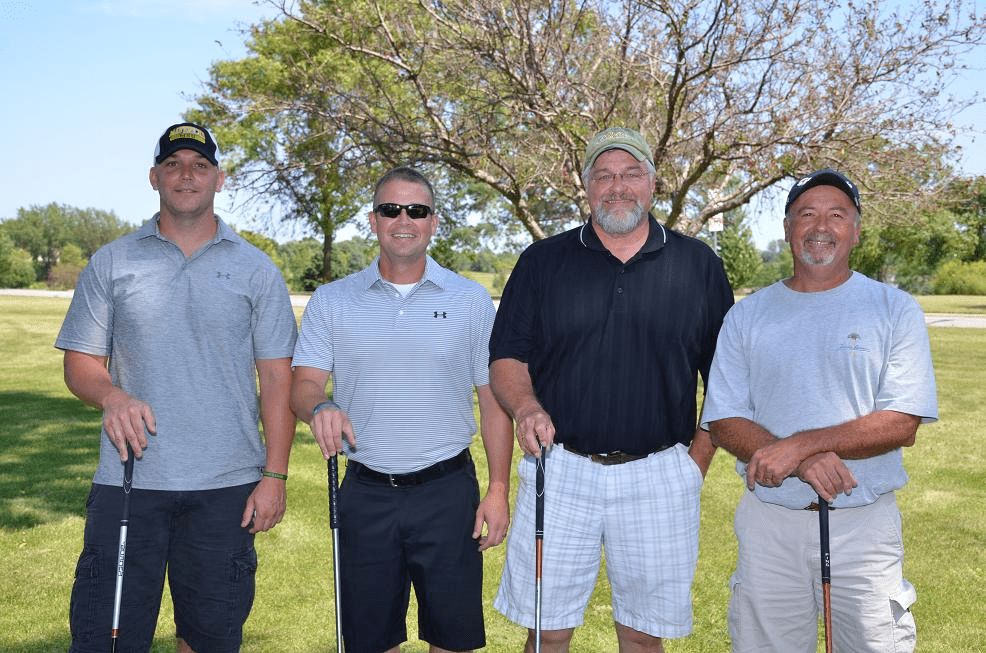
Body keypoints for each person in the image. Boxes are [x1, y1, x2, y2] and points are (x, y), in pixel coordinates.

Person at [489, 126, 734, 653]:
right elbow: (507, 357)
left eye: (630, 174)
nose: (617, 186)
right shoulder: (542, 261)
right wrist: (526, 405)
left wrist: (695, 464)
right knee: (546, 630)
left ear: (652, 183)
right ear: (586, 187)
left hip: (660, 473)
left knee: (644, 637)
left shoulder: (699, 266)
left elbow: (727, 381)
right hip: (560, 468)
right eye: (603, 175)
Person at [55, 122, 298, 653]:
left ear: (219, 179)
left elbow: (278, 379)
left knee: (210, 641)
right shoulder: (113, 261)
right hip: (129, 483)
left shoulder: (257, 270)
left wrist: (275, 474)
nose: (187, 175)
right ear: (154, 177)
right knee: (106, 639)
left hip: (226, 488)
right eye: (174, 165)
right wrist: (111, 395)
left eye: (200, 165)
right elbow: (80, 363)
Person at [701, 168, 939, 652]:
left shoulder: (894, 309)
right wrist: (800, 460)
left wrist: (802, 446)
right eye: (806, 214)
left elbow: (902, 420)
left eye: (837, 214)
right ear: (788, 229)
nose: (820, 226)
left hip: (863, 525)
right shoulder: (747, 314)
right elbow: (723, 418)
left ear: (855, 229)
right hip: (771, 525)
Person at [290, 166, 513, 653]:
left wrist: (498, 490)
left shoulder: (471, 300)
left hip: (448, 492)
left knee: (452, 642)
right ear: (373, 220)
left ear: (434, 222)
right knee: (369, 642)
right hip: (366, 491)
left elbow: (493, 399)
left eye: (417, 210)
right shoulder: (332, 300)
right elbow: (302, 385)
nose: (404, 219)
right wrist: (320, 405)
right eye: (391, 209)